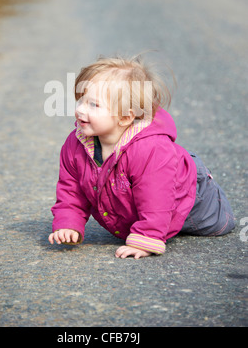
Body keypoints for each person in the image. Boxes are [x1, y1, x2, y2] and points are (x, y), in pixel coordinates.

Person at [48, 56, 235, 259]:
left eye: (93, 105)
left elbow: (156, 196)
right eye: (81, 100)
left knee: (218, 226)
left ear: (126, 117)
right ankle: (155, 227)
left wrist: (146, 238)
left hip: (191, 198)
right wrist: (68, 223)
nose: (80, 110)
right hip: (145, 194)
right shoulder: (76, 144)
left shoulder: (150, 150)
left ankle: (200, 210)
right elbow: (71, 189)